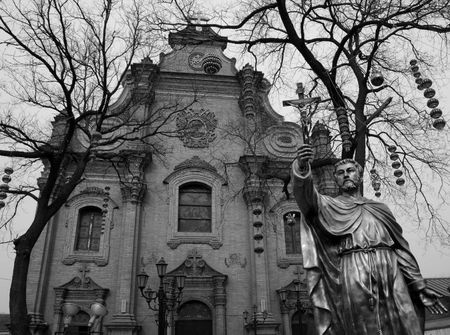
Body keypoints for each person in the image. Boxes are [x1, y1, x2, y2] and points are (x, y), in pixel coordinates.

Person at [292, 144, 447, 335]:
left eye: (350, 171)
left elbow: (400, 248)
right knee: (364, 325)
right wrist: (301, 168)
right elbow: (305, 197)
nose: (346, 175)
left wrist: (418, 285)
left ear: (360, 175)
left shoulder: (380, 208)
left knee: (406, 323)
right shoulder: (329, 205)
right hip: (354, 267)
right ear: (336, 180)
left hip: (390, 267)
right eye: (340, 173)